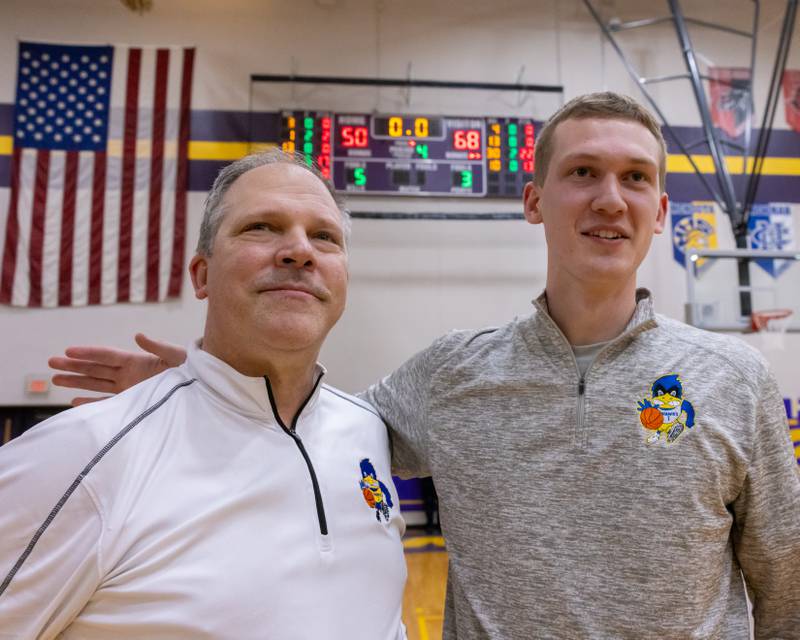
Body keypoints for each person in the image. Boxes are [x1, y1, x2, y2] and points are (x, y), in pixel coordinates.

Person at [47, 93, 800, 638]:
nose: (610, 198)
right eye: (583, 173)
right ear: (534, 201)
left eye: (636, 177)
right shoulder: (451, 374)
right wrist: (211, 386)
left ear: (663, 210)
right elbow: (319, 426)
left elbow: (786, 585)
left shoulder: (733, 379)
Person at [0, 151, 408, 639]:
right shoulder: (79, 454)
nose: (300, 251)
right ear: (201, 275)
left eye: (324, 236)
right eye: (262, 227)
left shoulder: (366, 430)